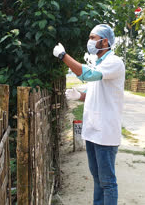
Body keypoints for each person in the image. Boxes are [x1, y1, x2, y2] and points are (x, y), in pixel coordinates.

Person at [53, 24, 125, 205]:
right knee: (97, 178)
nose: (90, 41)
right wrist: (80, 96)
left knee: (107, 182)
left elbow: (88, 75)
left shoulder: (114, 62)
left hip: (105, 133)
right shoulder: (98, 64)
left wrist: (64, 56)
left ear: (105, 41)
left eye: (93, 38)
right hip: (93, 131)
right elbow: (96, 92)